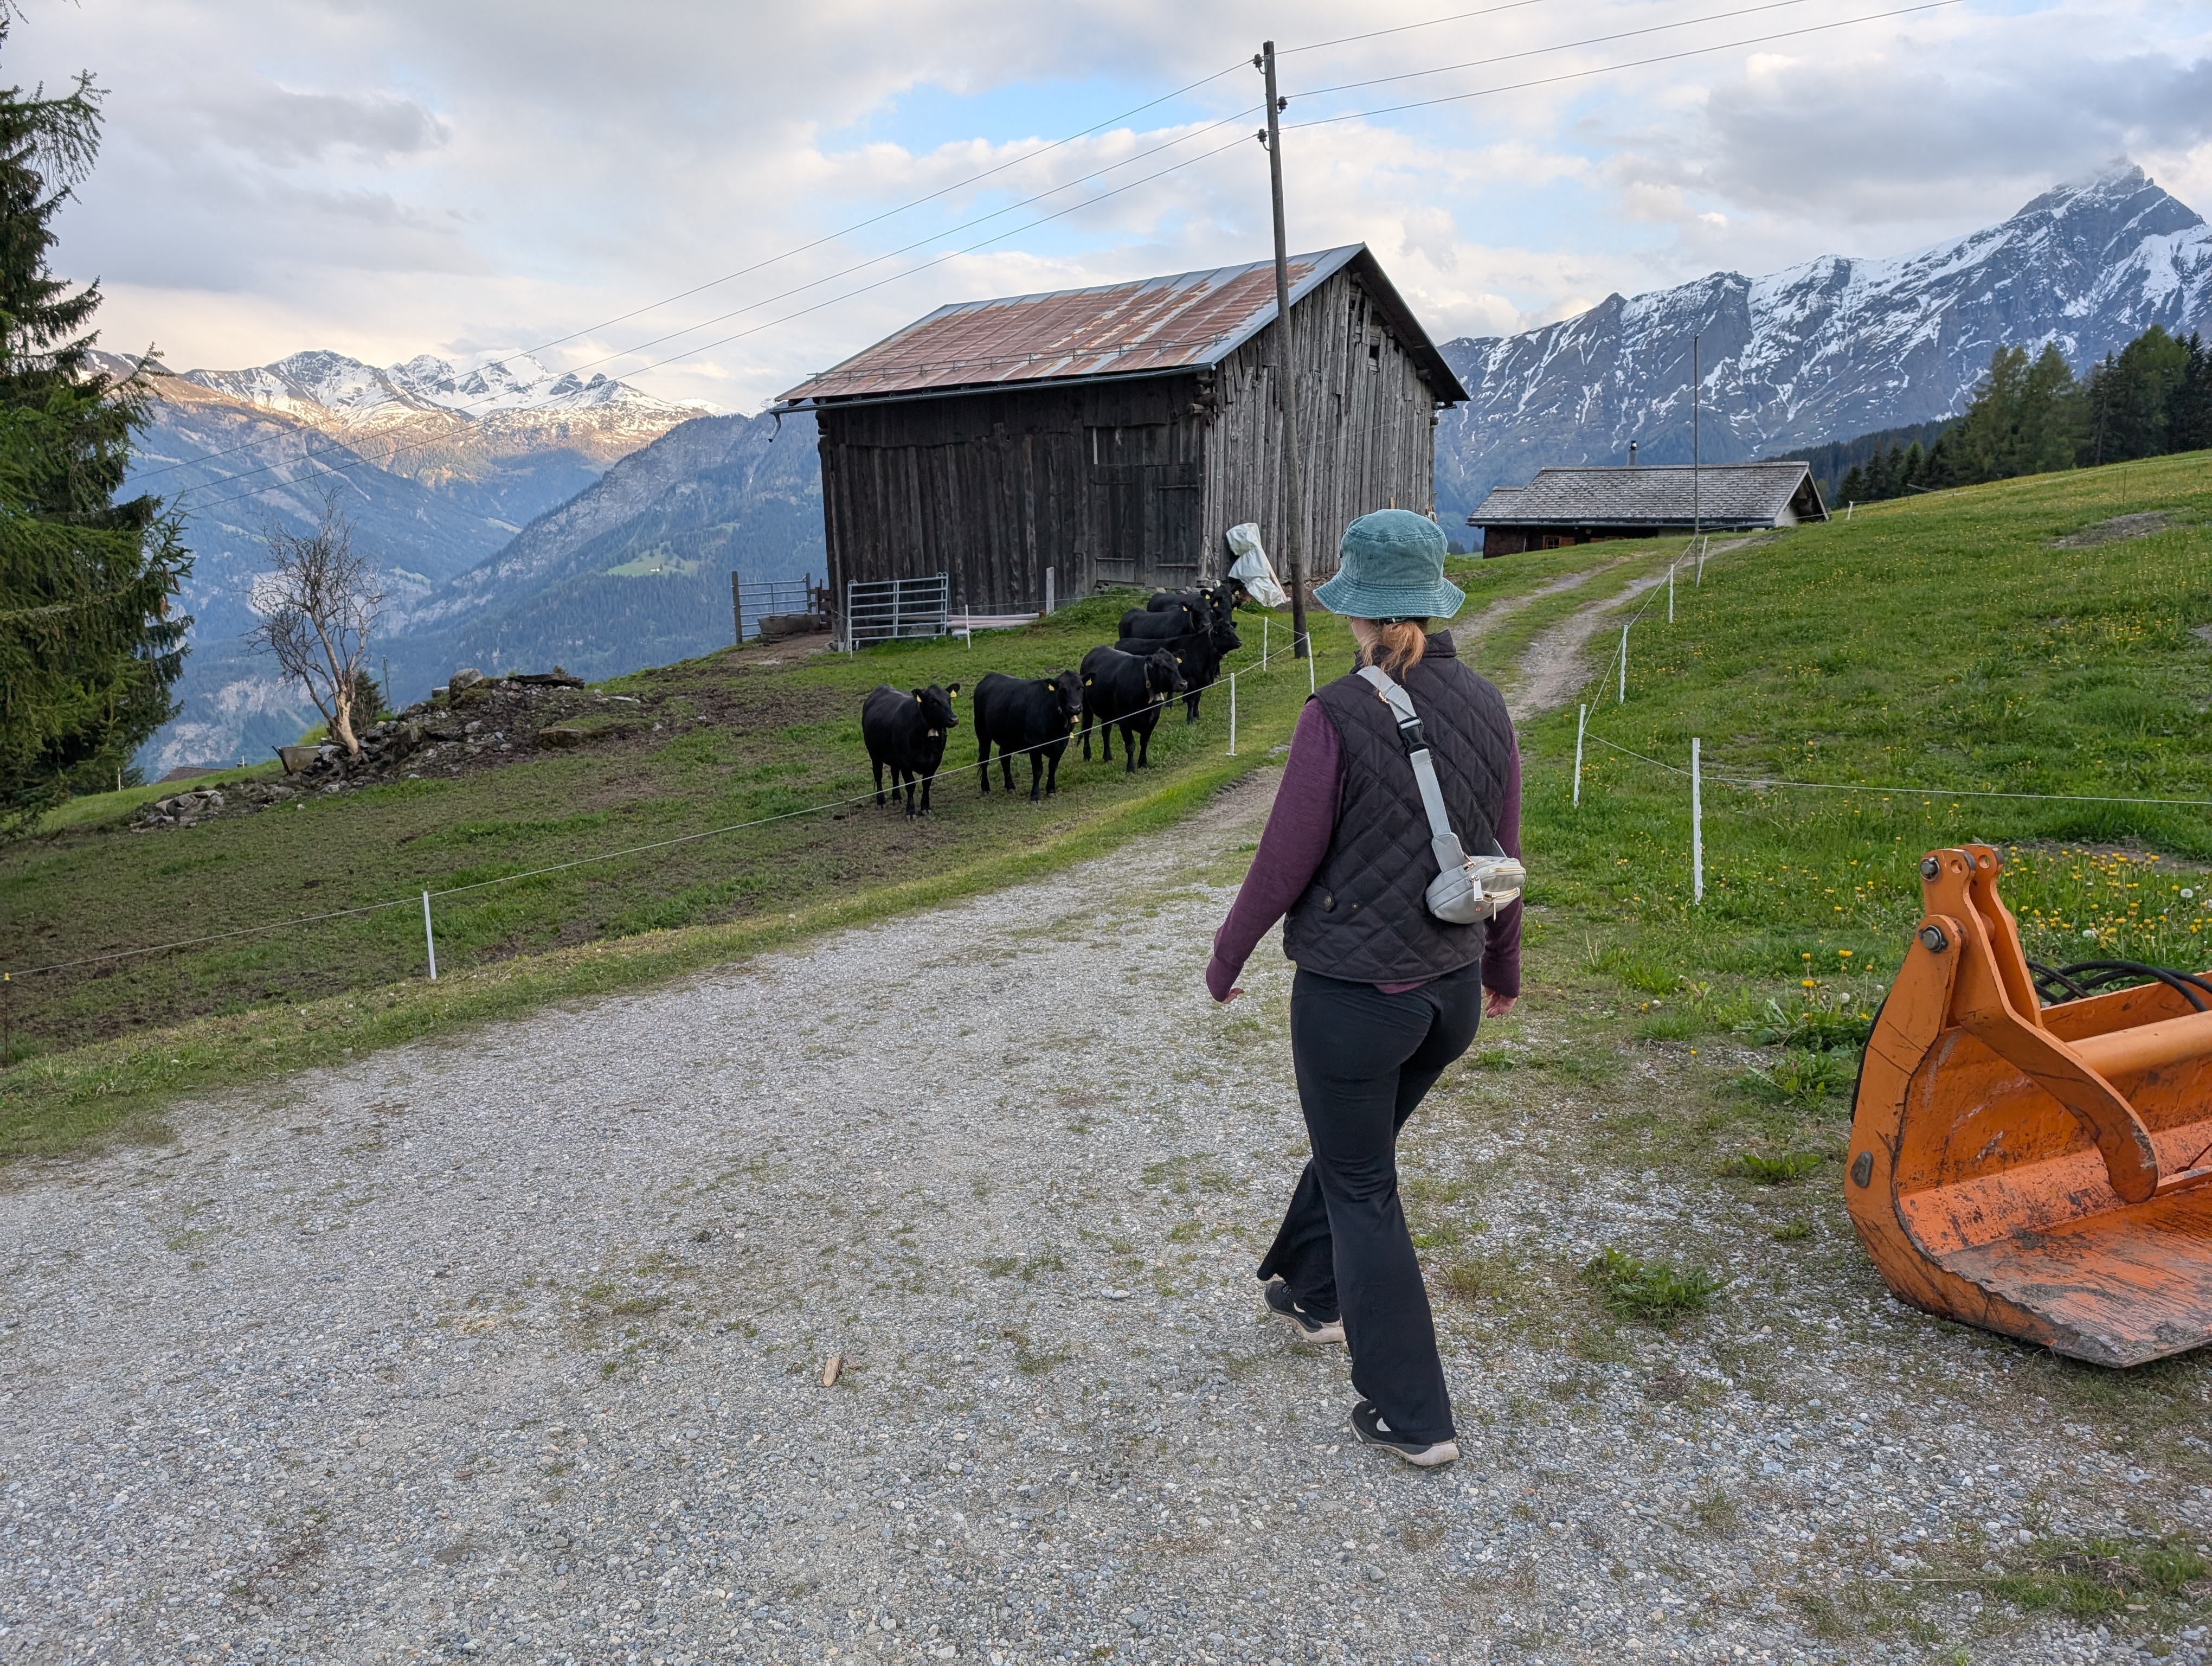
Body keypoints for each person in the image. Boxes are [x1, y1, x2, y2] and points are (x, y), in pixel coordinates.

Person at [1205, 508, 1521, 1469]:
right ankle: (1313, 1291)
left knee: (1362, 1186)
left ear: (1362, 611)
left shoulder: (1338, 713)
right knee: (1359, 1154)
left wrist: (1228, 957)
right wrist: (1501, 966)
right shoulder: (1488, 702)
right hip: (1449, 997)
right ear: (1429, 602)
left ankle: (1414, 1415)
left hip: (1354, 1001)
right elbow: (1501, 858)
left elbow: (1283, 859)